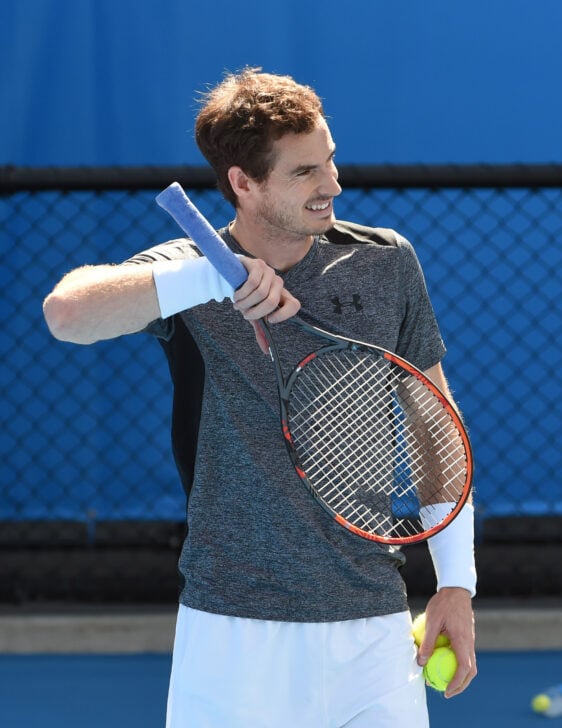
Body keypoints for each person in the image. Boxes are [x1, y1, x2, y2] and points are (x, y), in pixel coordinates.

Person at [43, 68, 477, 727]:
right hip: (229, 636)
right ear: (244, 183)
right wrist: (205, 278)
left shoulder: (385, 262)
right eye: (305, 172)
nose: (333, 184)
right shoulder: (189, 271)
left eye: (329, 161)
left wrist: (457, 584)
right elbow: (66, 314)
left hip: (373, 632)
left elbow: (434, 429)